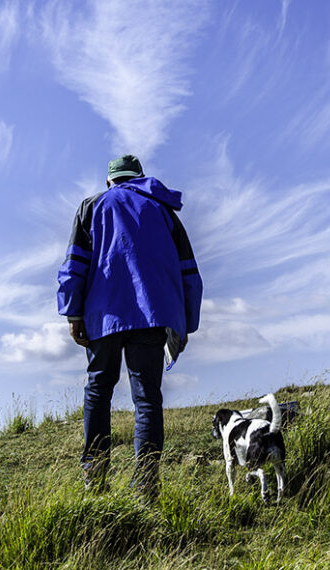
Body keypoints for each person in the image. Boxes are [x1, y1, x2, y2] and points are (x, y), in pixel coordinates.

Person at [57, 154, 203, 498]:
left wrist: (73, 313)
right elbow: (189, 273)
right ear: (140, 177)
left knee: (98, 390)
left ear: (109, 181)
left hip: (102, 316)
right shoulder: (163, 211)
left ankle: (94, 477)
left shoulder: (92, 207)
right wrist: (186, 322)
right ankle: (146, 484)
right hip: (151, 316)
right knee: (147, 398)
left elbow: (74, 265)